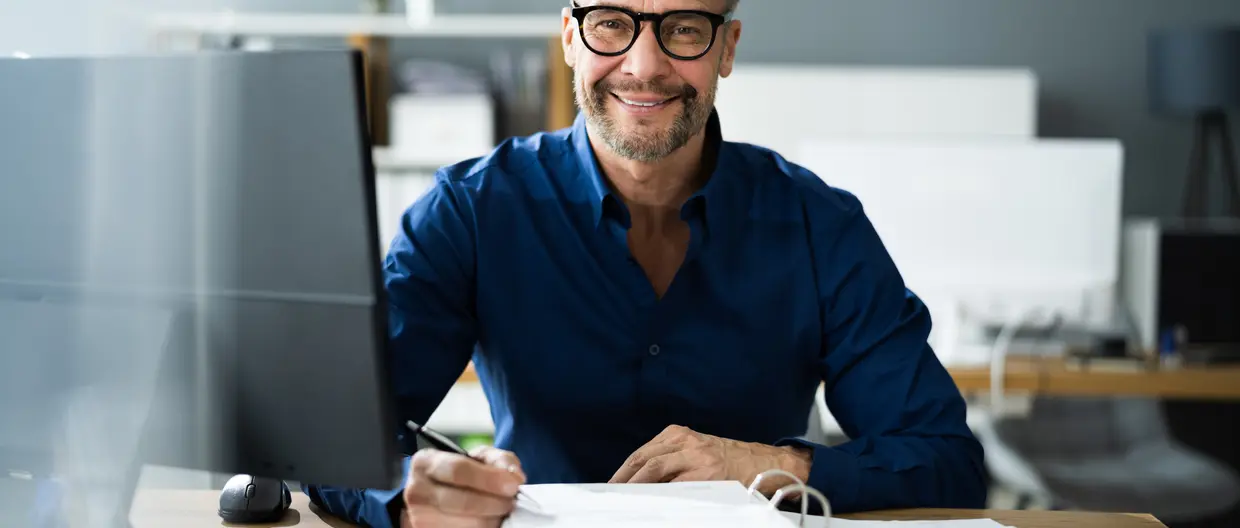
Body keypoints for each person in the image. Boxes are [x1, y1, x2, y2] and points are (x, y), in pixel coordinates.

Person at [304, 0, 986, 526]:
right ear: (570, 36)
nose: (644, 65)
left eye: (684, 28)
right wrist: (408, 495)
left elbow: (945, 459)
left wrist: (773, 465)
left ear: (727, 48)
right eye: (611, 23)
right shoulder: (473, 211)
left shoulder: (819, 225)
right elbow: (331, 438)